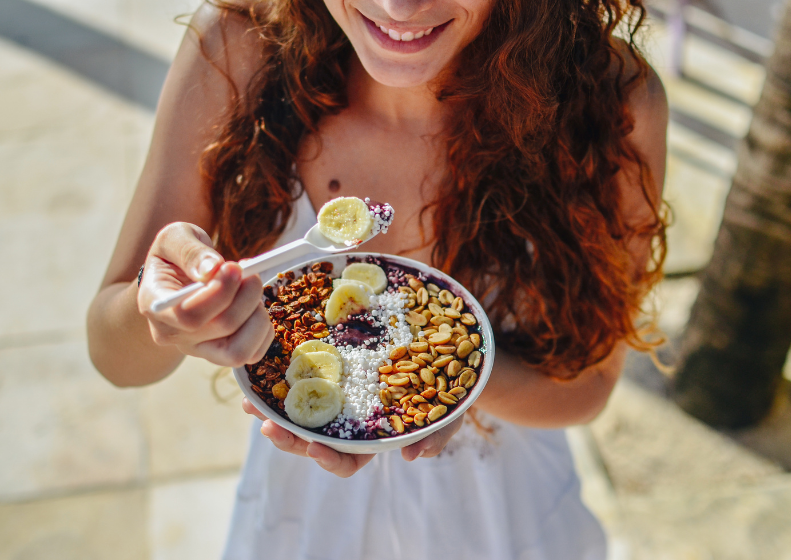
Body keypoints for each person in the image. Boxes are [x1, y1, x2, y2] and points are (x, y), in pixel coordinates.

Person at [87, 0, 668, 558]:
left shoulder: (607, 99)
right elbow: (114, 357)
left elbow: (589, 387)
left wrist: (449, 382)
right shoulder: (240, 45)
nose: (398, 8)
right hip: (307, 516)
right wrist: (161, 312)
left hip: (499, 513)